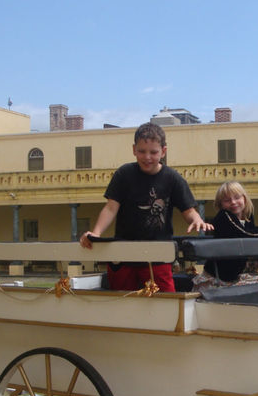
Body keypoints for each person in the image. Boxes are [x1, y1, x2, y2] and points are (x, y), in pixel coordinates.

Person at [79, 122, 211, 292]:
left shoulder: (173, 178)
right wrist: (96, 233)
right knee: (123, 304)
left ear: (163, 151)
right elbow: (111, 207)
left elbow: (189, 210)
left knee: (164, 306)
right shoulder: (124, 174)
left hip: (158, 257)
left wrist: (197, 220)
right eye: (142, 151)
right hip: (123, 255)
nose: (147, 157)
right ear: (134, 149)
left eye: (153, 152)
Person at [198, 181, 258, 287]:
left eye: (237, 197)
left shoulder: (247, 217)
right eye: (227, 200)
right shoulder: (224, 216)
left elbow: (254, 231)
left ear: (244, 198)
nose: (233, 202)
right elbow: (246, 234)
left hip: (233, 277)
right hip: (215, 278)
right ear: (221, 204)